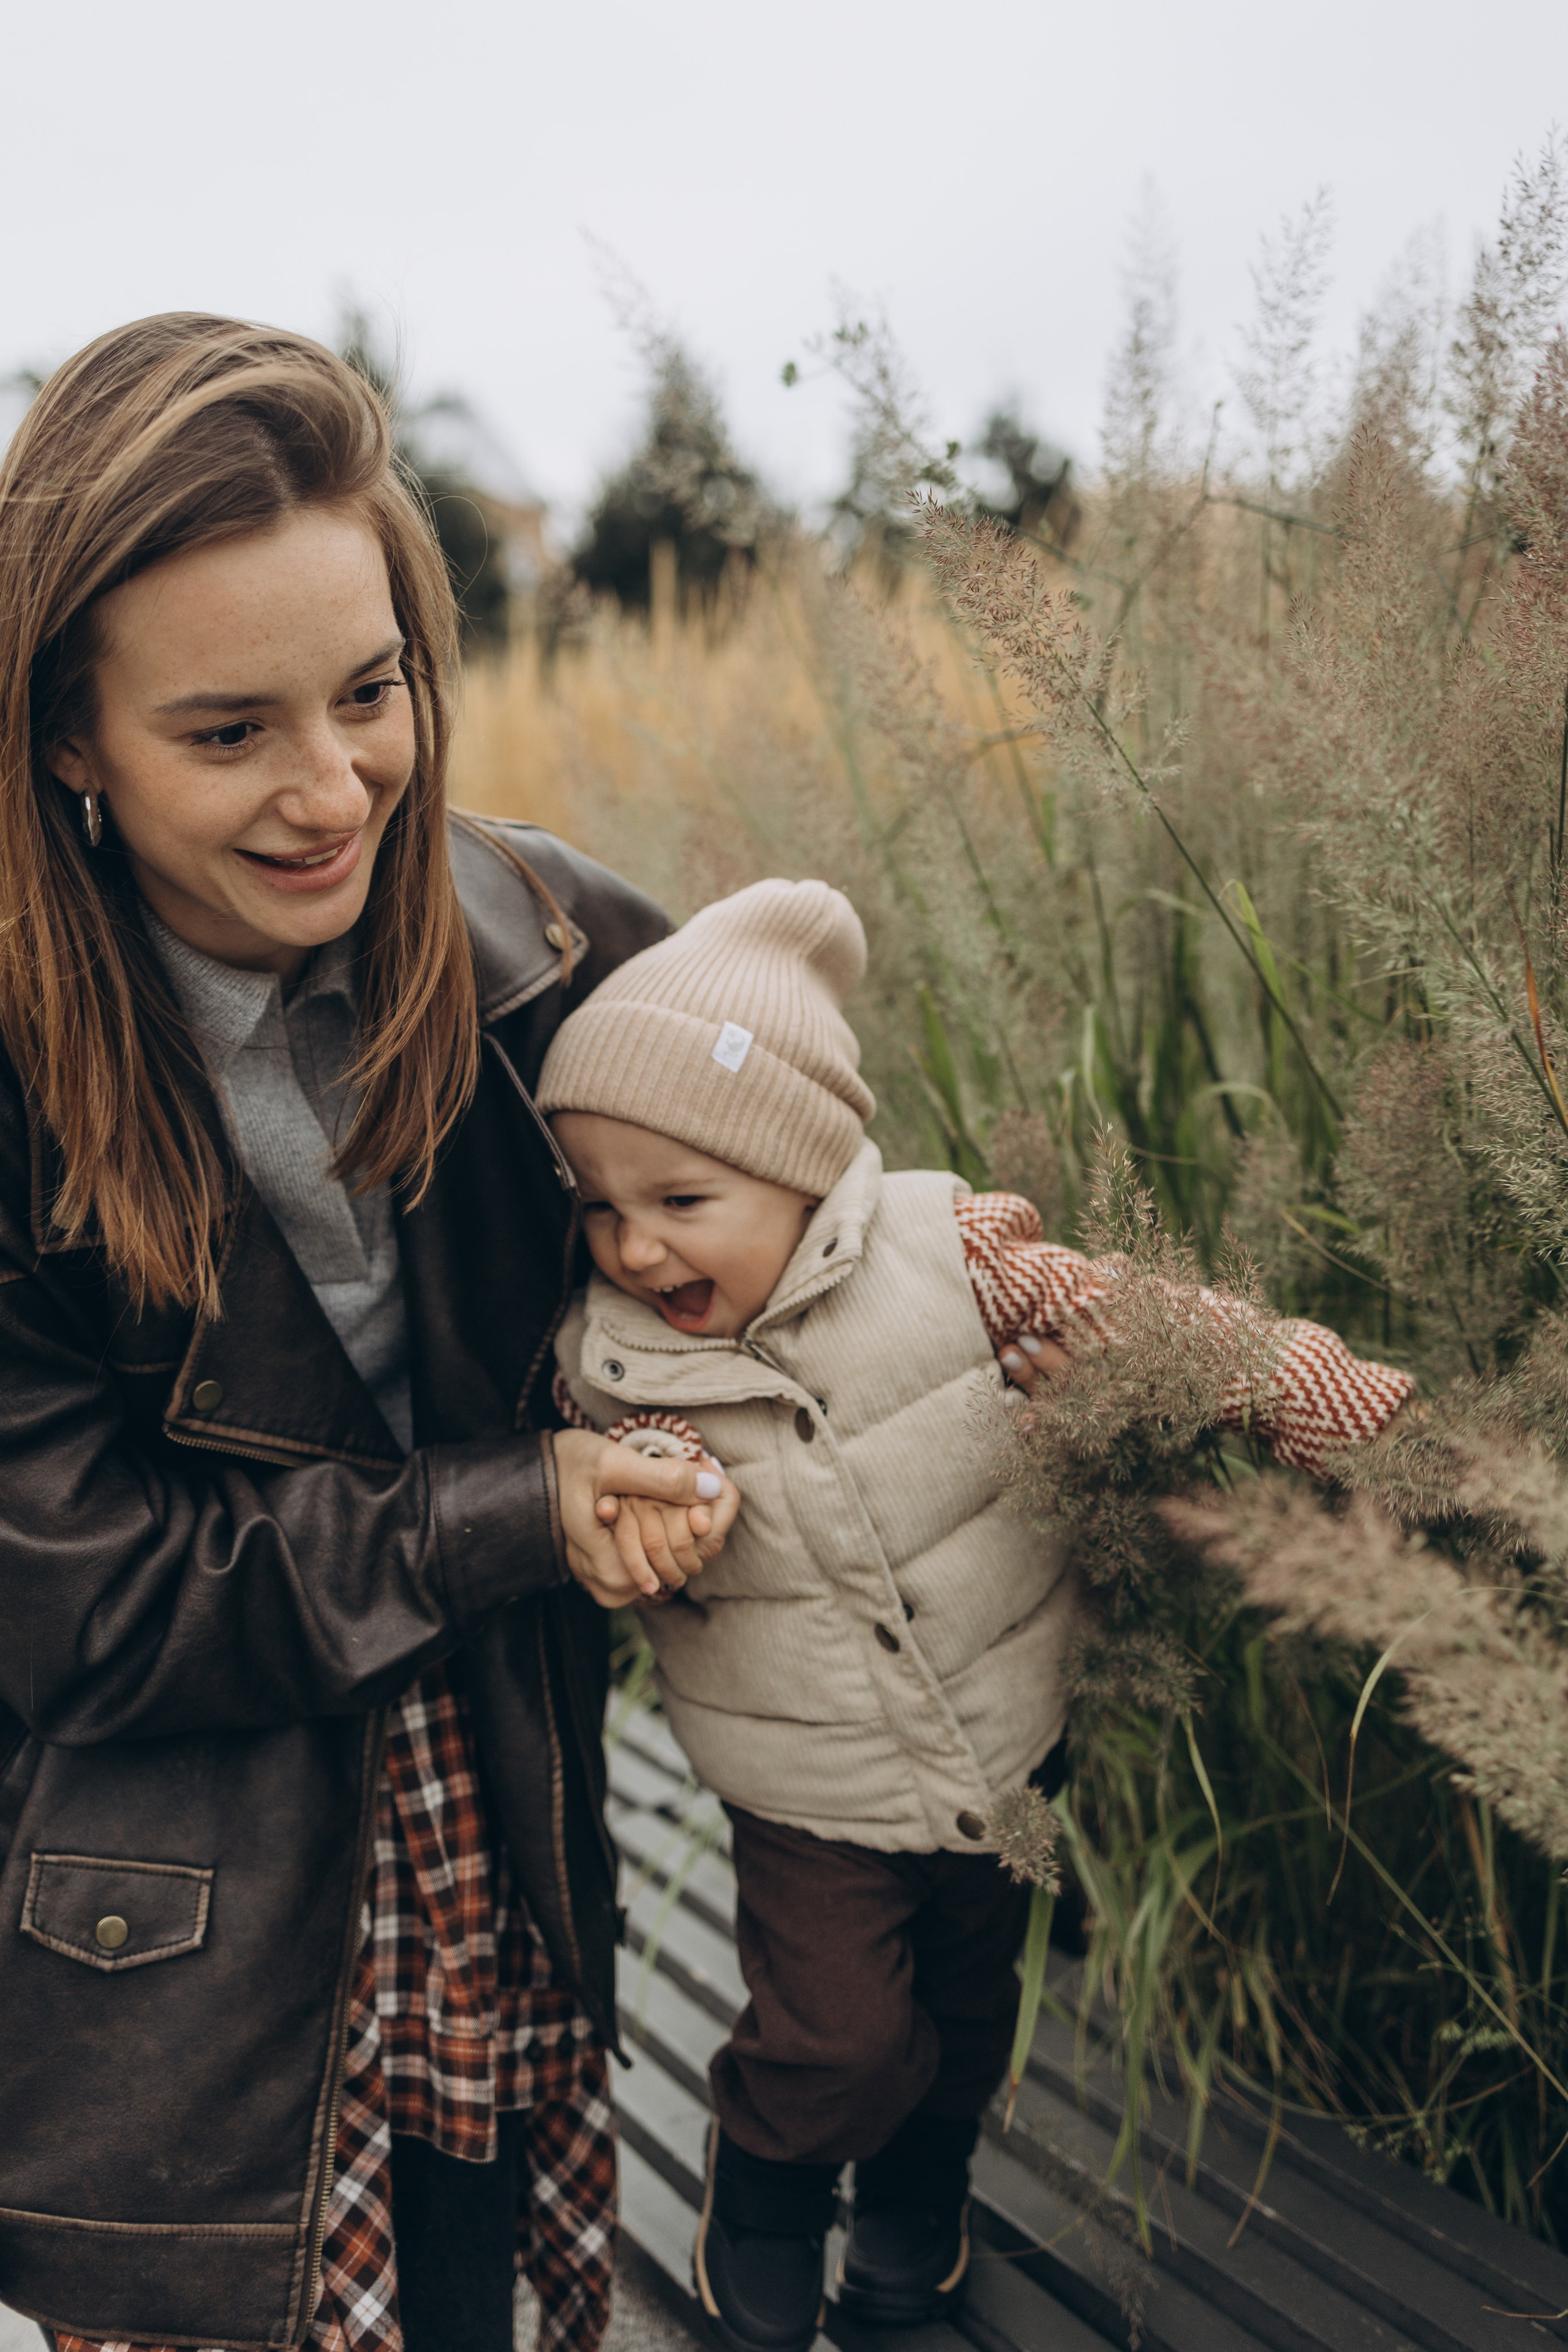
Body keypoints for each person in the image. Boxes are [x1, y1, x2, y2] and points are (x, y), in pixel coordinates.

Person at [0, 314, 739, 2352]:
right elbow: (87, 1611)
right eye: (226, 732)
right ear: (70, 739)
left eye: (370, 691)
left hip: (499, 1817)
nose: (331, 791)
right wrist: (515, 1512)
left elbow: (801, 1205)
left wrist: (1035, 1287)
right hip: (172, 1929)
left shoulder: (547, 943)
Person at [536, 876, 1415, 2352]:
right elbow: (614, 1495)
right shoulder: (612, 1363)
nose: (633, 1251)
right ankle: (765, 2186)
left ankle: (918, 2195)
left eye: (679, 1205)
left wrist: (1303, 1390)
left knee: (961, 2007)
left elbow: (1147, 1316)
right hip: (803, 1780)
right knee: (836, 2031)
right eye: (596, 1209)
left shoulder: (953, 1253)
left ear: (803, 1169)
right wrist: (646, 1526)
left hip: (1004, 1735)